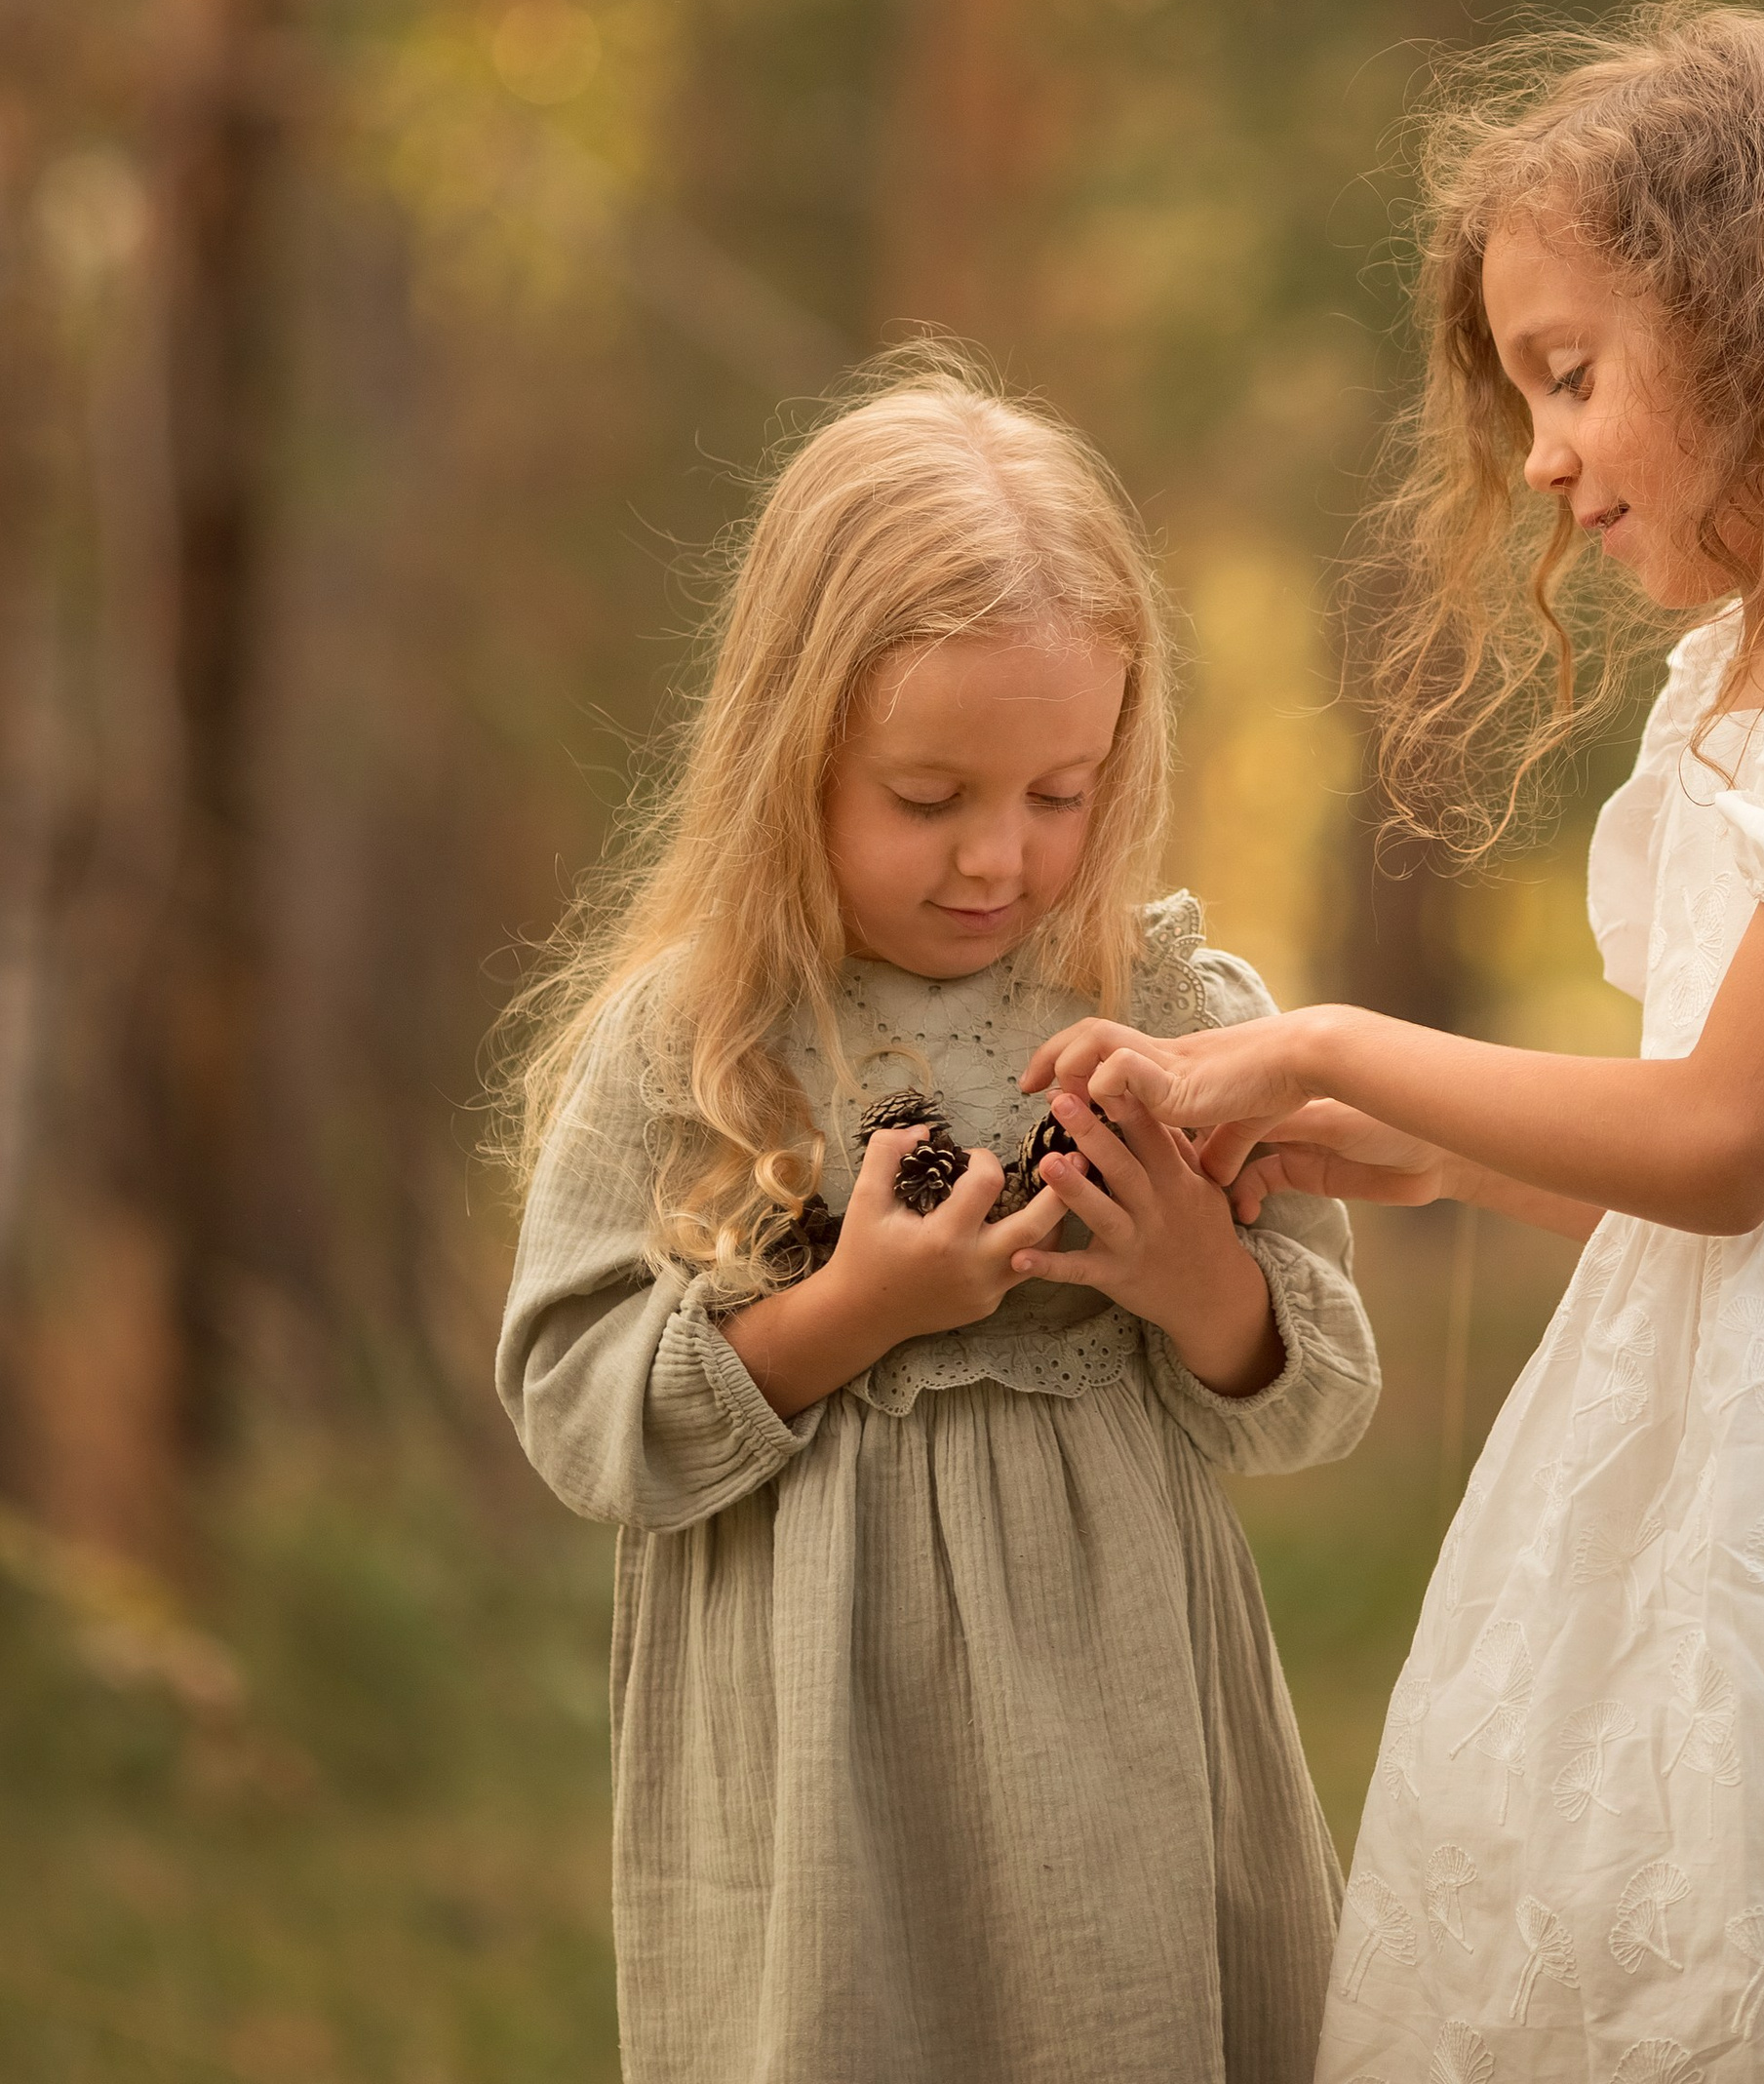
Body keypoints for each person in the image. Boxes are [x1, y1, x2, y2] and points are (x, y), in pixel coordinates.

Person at [1036, 0, 1764, 2083]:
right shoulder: (1740, 677)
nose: (1544, 457)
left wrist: (1318, 1052)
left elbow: (1728, 1145)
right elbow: (1738, 1149)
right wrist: (1434, 1161)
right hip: (1746, 1445)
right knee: (1658, 1941)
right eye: (1522, 400)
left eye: (1572, 378)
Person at [495, 362, 1378, 2084]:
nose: (1000, 858)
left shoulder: (1181, 1005)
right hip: (820, 1727)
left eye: (1062, 795)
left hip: (1121, 1710)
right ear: (791, 748)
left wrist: (1201, 1279)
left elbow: (1321, 1387)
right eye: (930, 798)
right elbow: (570, 1400)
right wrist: (851, 1313)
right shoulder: (703, 1037)